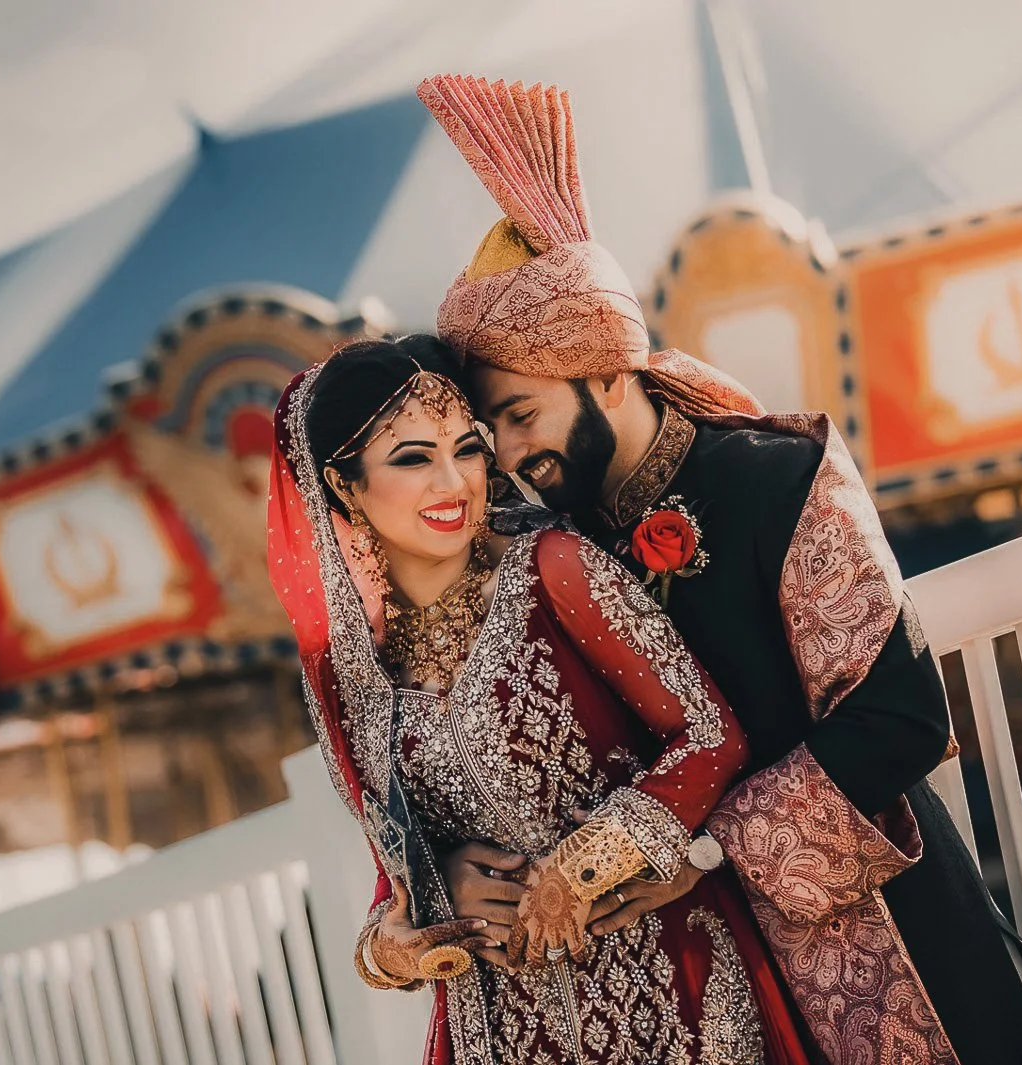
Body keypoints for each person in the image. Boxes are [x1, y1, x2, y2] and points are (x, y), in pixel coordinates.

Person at [418, 73, 1022, 1064]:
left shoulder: (780, 476)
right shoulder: (553, 550)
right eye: (492, 433)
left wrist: (709, 849)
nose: (510, 457)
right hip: (700, 981)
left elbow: (901, 718)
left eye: (519, 416)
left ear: (601, 366)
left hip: (885, 939)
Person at [266, 333, 818, 1064]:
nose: (453, 482)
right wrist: (399, 942)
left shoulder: (552, 571)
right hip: (508, 1030)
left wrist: (580, 867)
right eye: (411, 458)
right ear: (342, 485)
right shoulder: (350, 679)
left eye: (466, 448)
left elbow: (710, 735)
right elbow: (396, 872)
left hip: (665, 988)